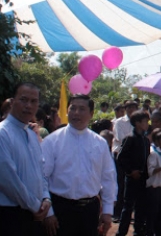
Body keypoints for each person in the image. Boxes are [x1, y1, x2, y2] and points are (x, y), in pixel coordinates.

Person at [0, 83, 51, 236]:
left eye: (34, 101)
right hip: (8, 217)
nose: (28, 105)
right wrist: (35, 205)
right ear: (12, 102)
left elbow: (41, 172)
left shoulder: (32, 136)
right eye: (23, 100)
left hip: (33, 214)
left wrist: (46, 198)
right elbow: (7, 181)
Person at [41, 95, 117, 236]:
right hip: (60, 209)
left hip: (89, 210)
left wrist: (107, 211)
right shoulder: (52, 141)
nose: (76, 113)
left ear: (91, 113)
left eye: (82, 109)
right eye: (73, 108)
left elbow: (108, 177)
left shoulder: (99, 143)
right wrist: (49, 213)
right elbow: (41, 178)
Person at [116, 111, 151, 236]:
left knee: (141, 206)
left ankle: (138, 230)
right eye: (145, 122)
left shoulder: (145, 140)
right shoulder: (130, 138)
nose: (147, 124)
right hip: (132, 178)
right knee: (128, 207)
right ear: (137, 123)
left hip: (143, 178)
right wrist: (130, 171)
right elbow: (121, 158)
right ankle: (121, 232)